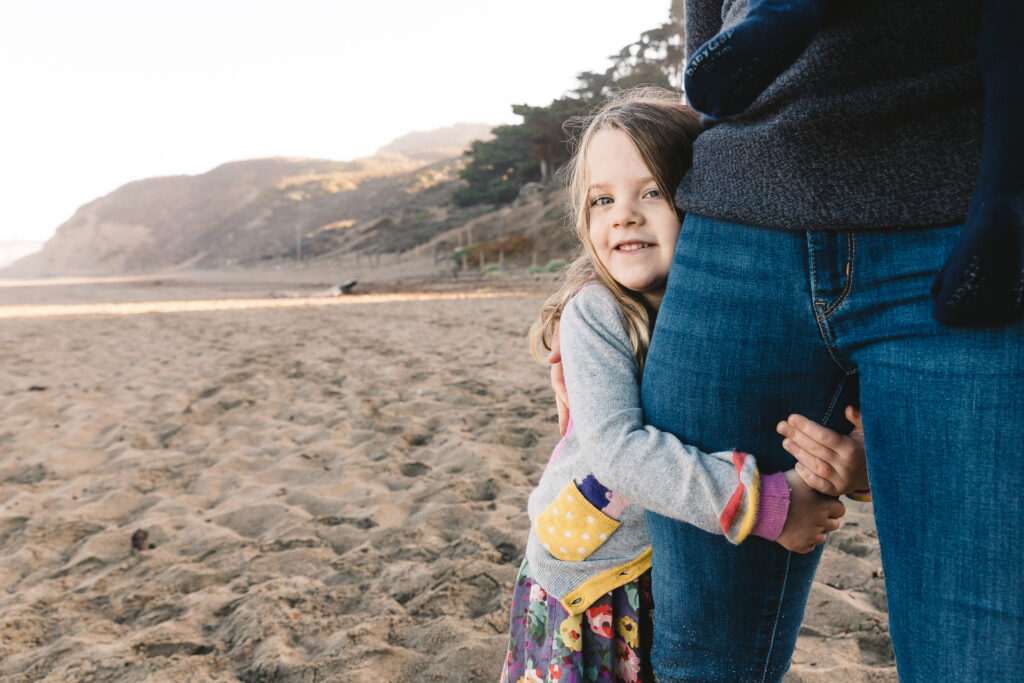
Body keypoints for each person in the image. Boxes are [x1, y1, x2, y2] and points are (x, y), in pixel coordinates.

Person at [626, 1, 1024, 680]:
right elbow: (709, 52)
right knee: (699, 660)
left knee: (976, 660)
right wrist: (605, 305)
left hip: (964, 222)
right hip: (731, 223)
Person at [500, 88, 865, 683]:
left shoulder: (731, 315)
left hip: (670, 568)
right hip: (591, 582)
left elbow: (836, 404)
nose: (623, 215)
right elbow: (618, 451)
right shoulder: (595, 312)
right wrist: (770, 506)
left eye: (650, 192)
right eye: (602, 200)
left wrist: (857, 467)